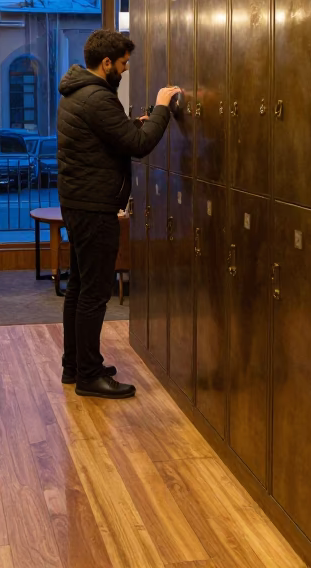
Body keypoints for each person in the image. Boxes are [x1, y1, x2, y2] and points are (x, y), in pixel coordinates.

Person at [56, 29, 180, 399]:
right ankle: (90, 376)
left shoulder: (76, 94)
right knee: (94, 293)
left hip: (77, 203)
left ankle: (74, 364)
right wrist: (161, 108)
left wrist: (130, 125)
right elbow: (139, 145)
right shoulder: (97, 98)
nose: (125, 70)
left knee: (79, 287)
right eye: (124, 63)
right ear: (107, 62)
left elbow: (113, 138)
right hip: (94, 208)